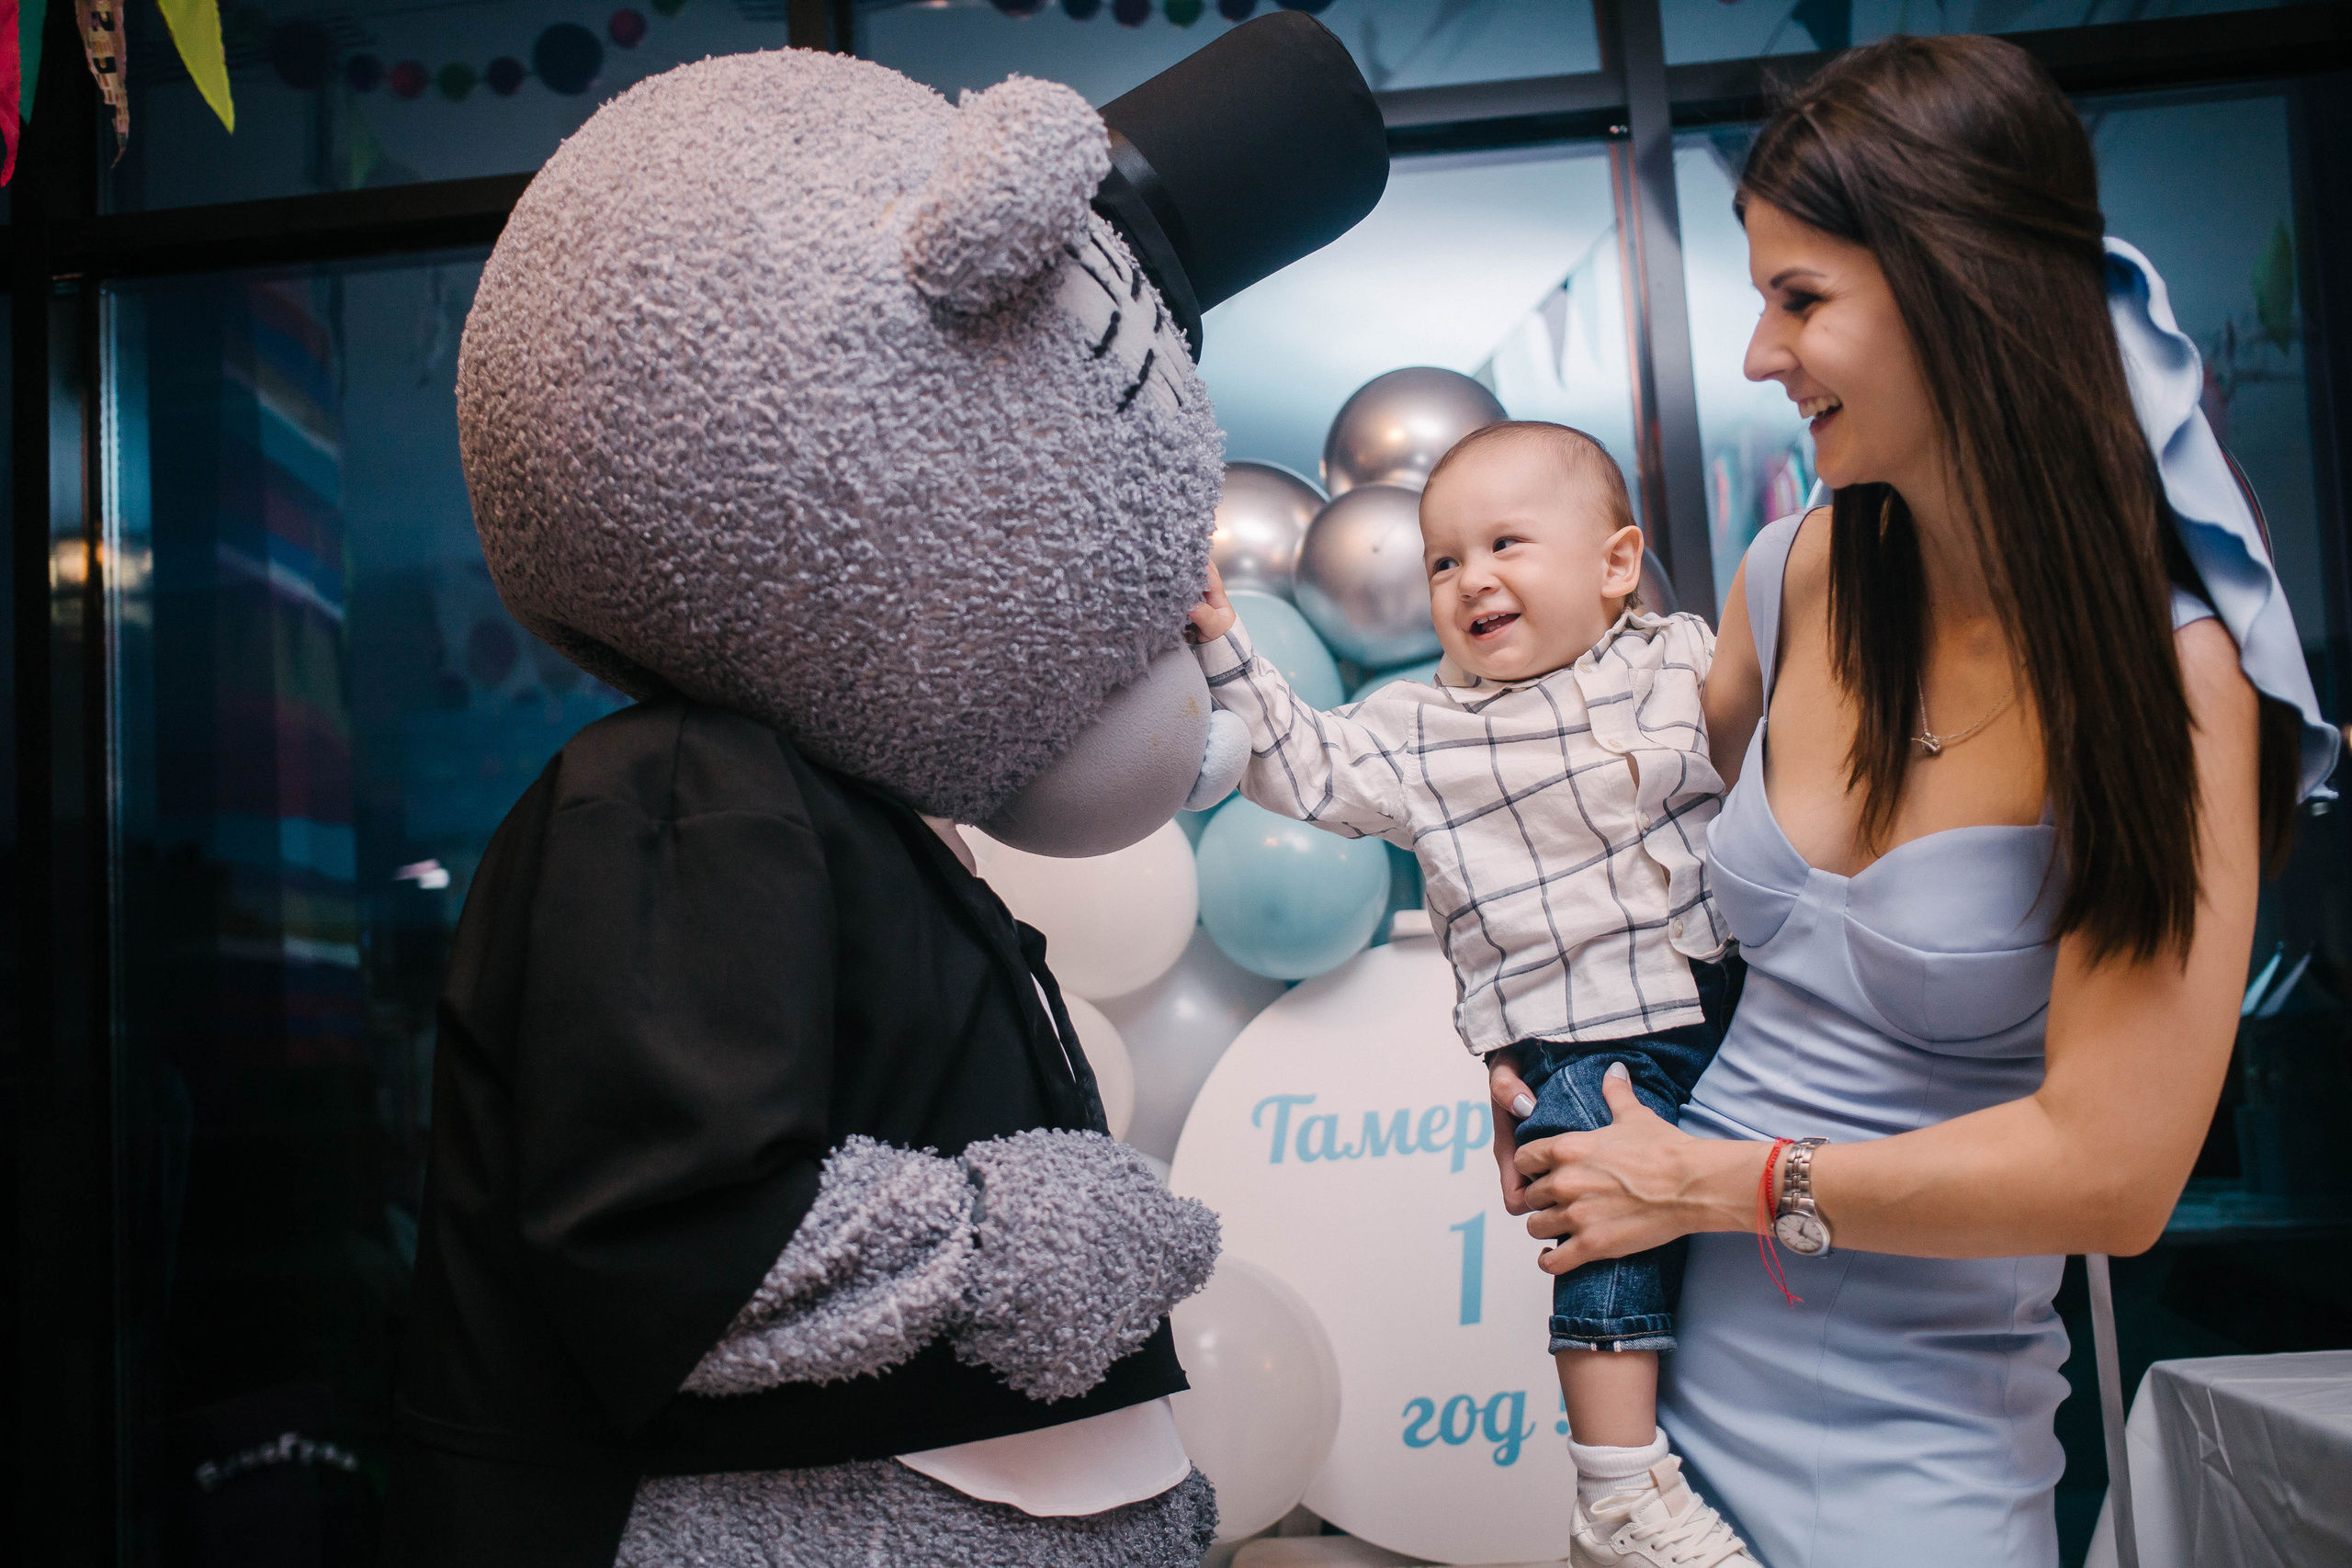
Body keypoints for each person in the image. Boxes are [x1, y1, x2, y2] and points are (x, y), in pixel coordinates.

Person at [1485, 34, 2338, 1568]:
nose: (1759, 354)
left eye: (1800, 299)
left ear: (1962, 292)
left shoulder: (2170, 687)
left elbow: (2114, 1173)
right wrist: (1562, 1069)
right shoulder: (1794, 580)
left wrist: (1705, 1180)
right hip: (1664, 1421)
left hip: (1919, 1452)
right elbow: (1627, 872)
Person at [1187, 422, 1761, 1567]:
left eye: (1505, 543)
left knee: (1740, 1256)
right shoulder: (1420, 730)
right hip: (1586, 1038)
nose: (1469, 579)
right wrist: (1219, 636)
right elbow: (1299, 765)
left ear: (1613, 564)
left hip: (1733, 1005)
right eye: (1443, 561)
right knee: (1608, 1235)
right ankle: (1617, 1491)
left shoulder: (1680, 658)